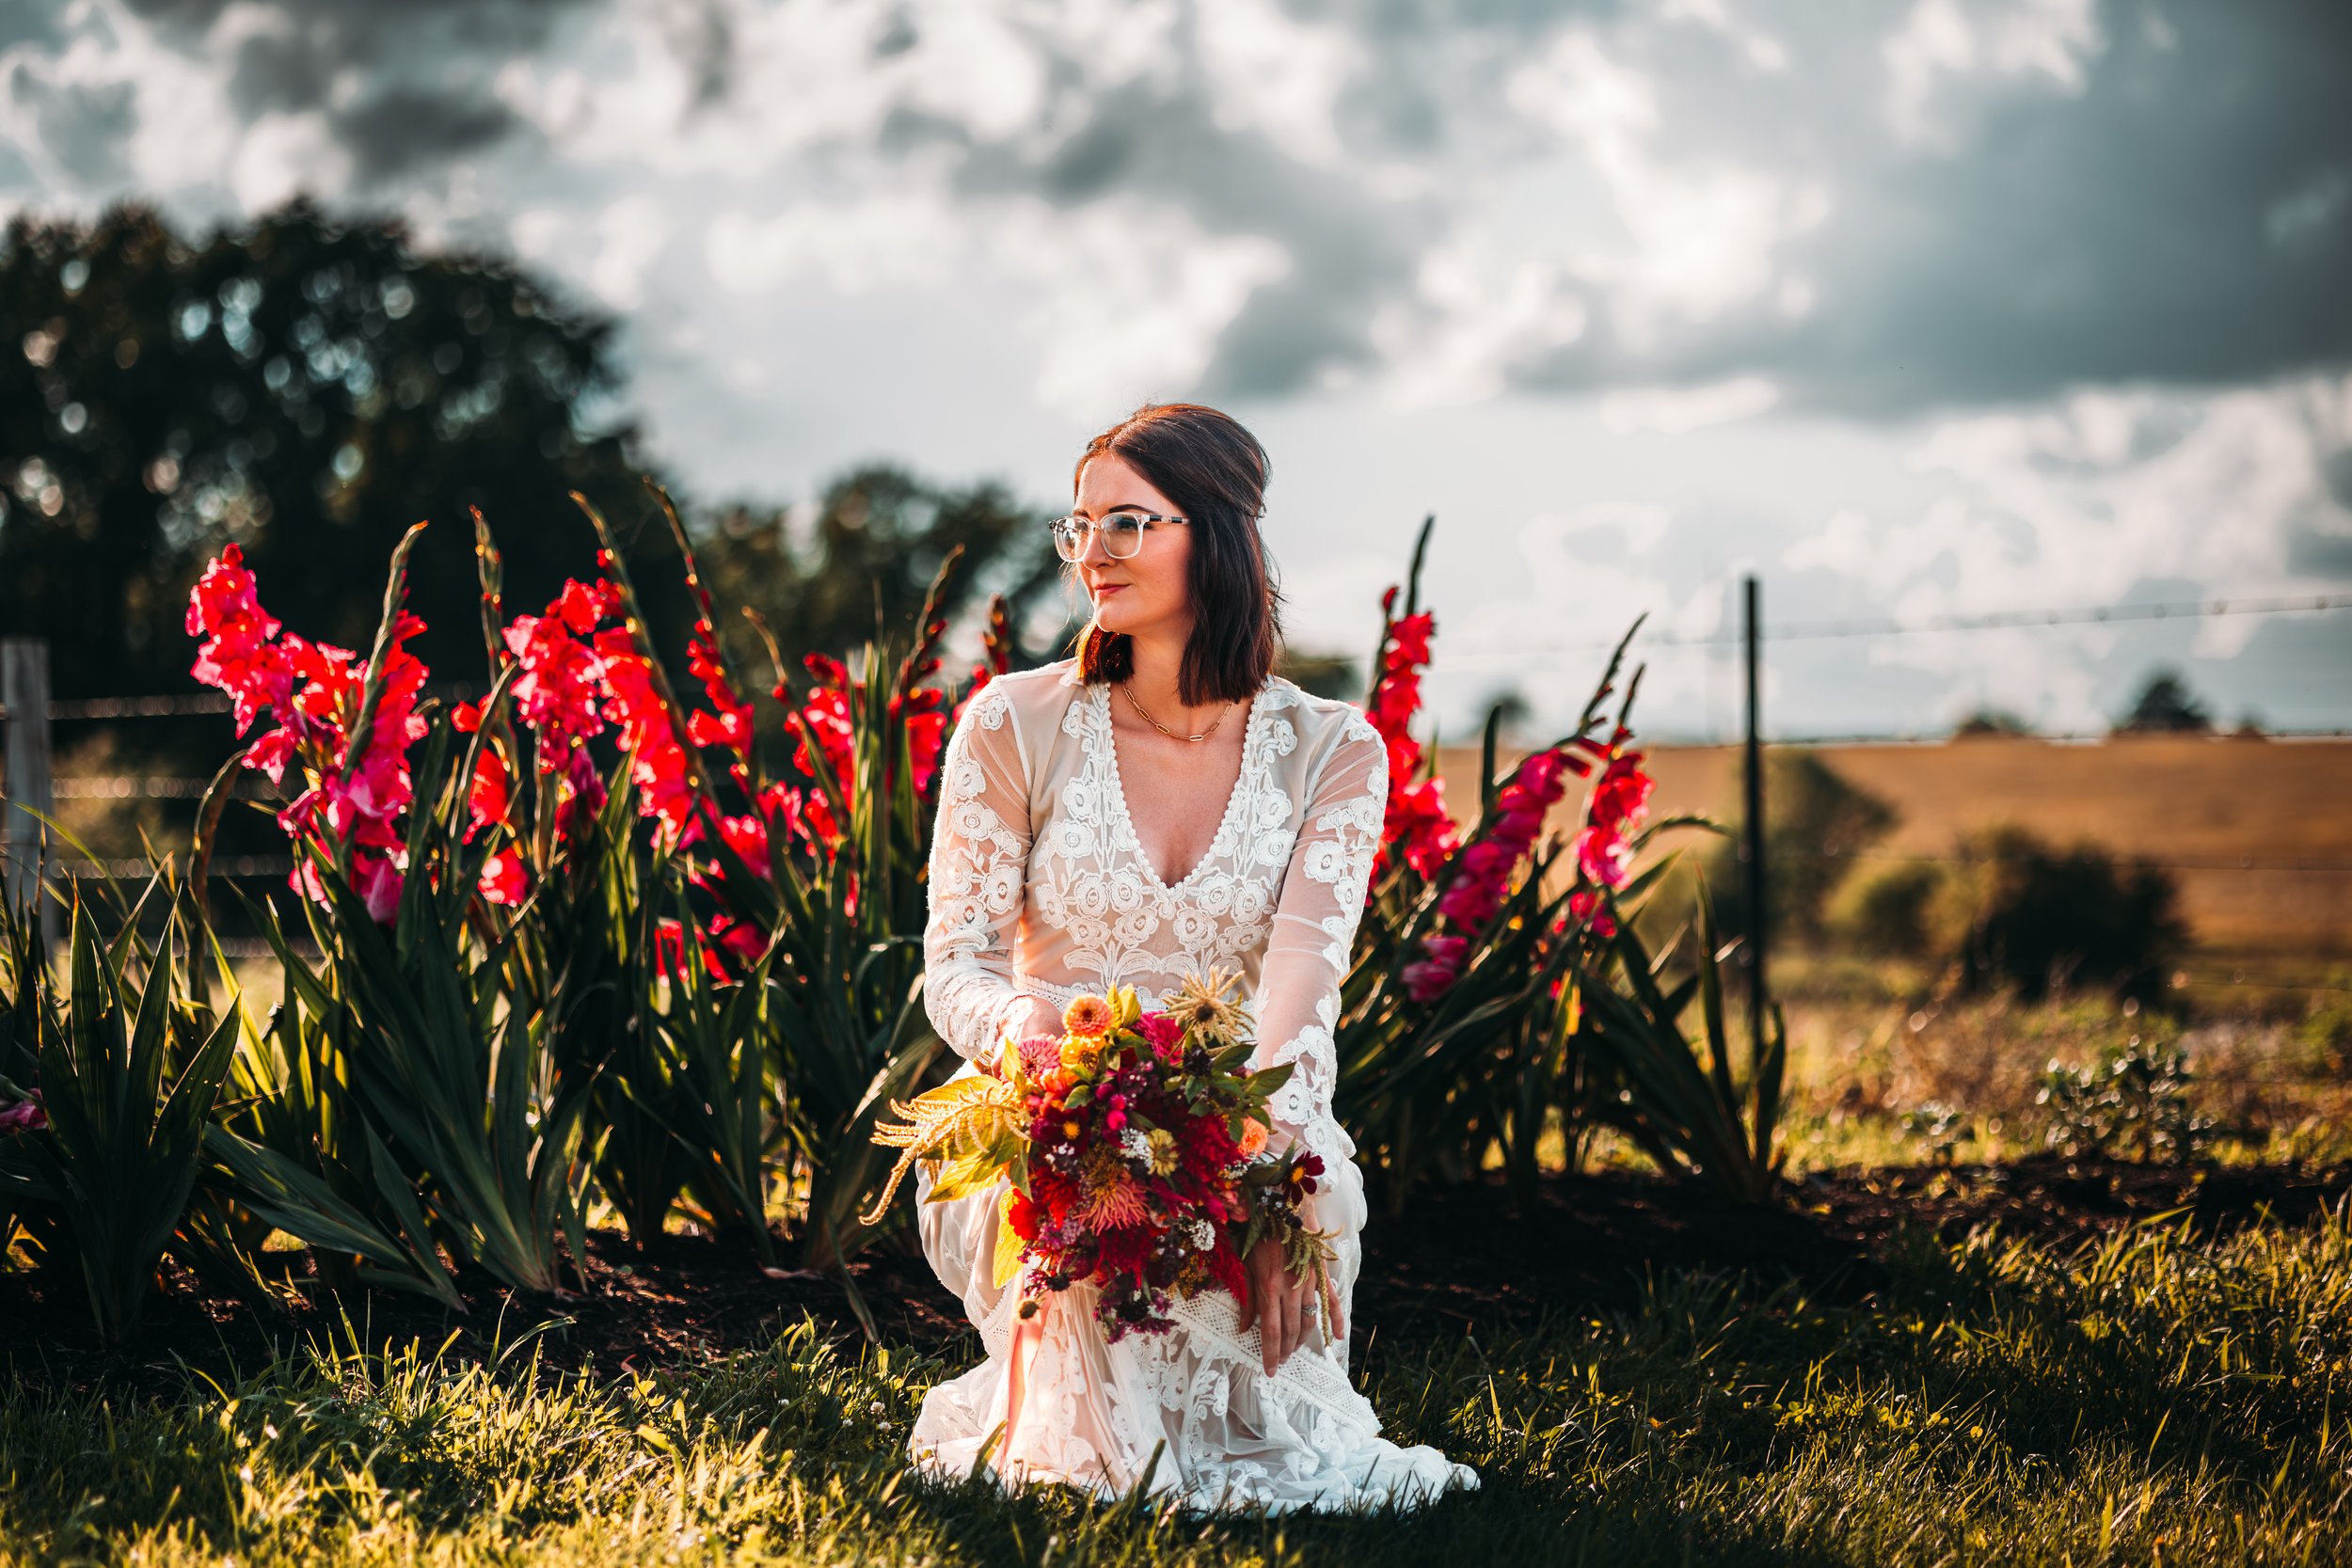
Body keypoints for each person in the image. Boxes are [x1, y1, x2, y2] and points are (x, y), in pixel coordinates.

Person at [906, 403, 1481, 1512]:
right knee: (1100, 1412)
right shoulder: (1011, 722)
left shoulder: (1332, 750)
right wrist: (1031, 1045)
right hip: (1050, 1108)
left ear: (1215, 534)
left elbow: (1302, 996)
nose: (1092, 556)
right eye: (1078, 528)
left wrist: (1272, 1171)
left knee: (1295, 1285)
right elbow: (956, 963)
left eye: (1125, 522)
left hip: (1242, 1112)